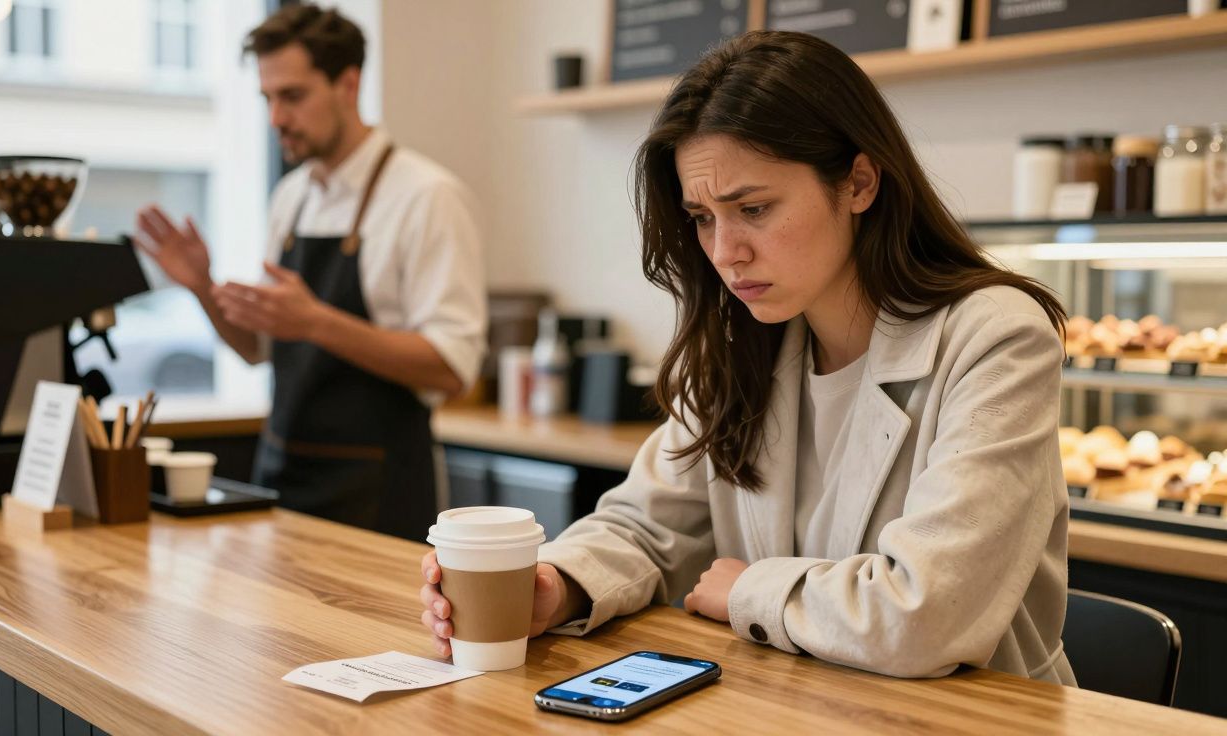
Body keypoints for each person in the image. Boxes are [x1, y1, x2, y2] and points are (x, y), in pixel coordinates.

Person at [420, 31, 1075, 683]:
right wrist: (557, 584)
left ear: (860, 182)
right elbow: (646, 526)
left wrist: (748, 591)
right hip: (796, 705)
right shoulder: (741, 339)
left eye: (753, 208)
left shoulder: (996, 336)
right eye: (702, 218)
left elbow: (927, 613)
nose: (725, 251)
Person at [134, 4, 485, 541]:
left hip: (379, 494)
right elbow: (258, 349)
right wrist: (201, 287)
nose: (275, 118)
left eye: (292, 96)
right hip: (282, 482)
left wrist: (318, 321)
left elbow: (451, 368)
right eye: (268, 99)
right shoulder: (291, 198)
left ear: (348, 83)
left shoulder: (425, 197)